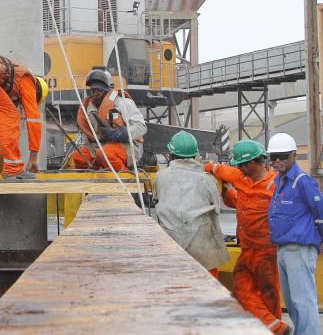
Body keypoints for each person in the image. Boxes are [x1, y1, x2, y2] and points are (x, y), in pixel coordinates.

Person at [205, 140, 289, 335]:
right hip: (247, 248)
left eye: (243, 164)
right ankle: (276, 327)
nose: (240, 168)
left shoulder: (275, 186)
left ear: (254, 162)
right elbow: (218, 169)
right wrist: (201, 168)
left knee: (269, 294)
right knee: (241, 289)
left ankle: (274, 327)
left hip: (266, 250)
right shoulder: (241, 177)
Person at [152, 131, 229, 277]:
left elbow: (157, 200)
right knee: (209, 293)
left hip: (172, 248)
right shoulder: (207, 180)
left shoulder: (160, 177)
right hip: (204, 251)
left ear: (171, 154)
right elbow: (217, 208)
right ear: (195, 155)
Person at [268, 133, 322, 335]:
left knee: (303, 301)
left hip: (299, 249)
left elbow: (320, 210)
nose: (278, 161)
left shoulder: (302, 181)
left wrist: (321, 239)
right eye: (273, 157)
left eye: (282, 156)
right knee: (292, 302)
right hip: (283, 249)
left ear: (293, 156)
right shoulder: (279, 181)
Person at [69, 68, 146, 172]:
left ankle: (124, 175)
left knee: (104, 153)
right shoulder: (88, 108)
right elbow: (89, 136)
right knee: (78, 157)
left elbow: (141, 127)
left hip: (126, 146)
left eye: (99, 90)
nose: (95, 93)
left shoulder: (123, 103)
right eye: (93, 90)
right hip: (99, 146)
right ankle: (97, 175)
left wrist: (118, 133)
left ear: (107, 90)